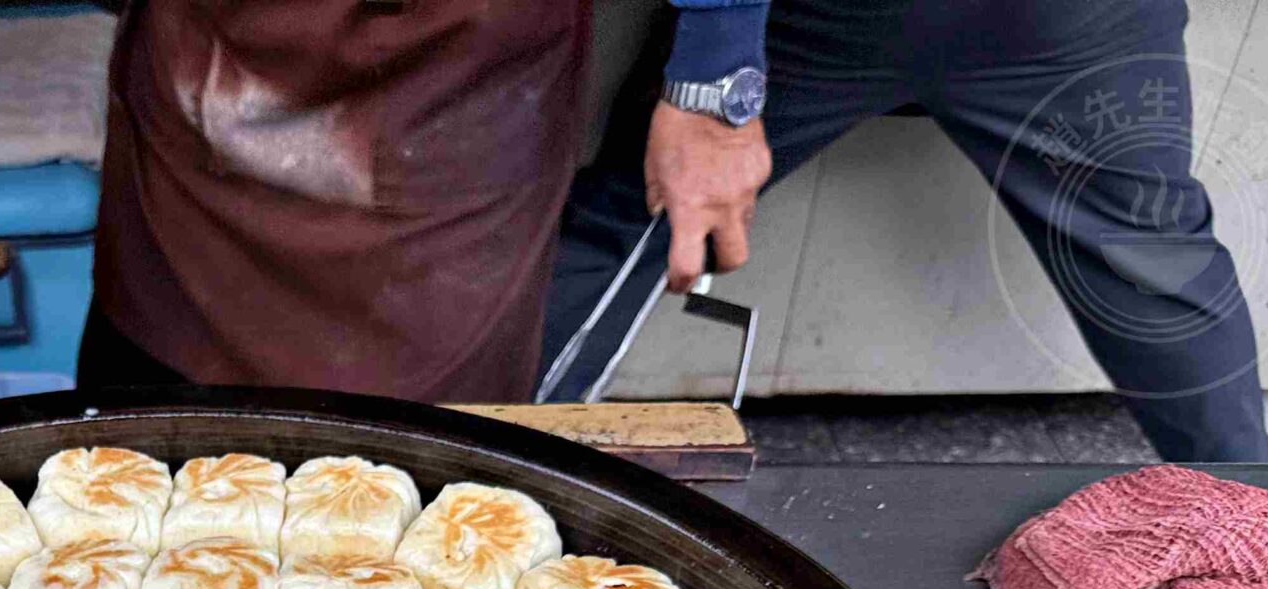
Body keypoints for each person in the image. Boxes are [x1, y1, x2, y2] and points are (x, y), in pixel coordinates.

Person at [542, 0, 1268, 462]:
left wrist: (715, 73)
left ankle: (488, 467)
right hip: (1071, 21)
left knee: (639, 219)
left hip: (853, 17)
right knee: (1150, 257)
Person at [79, 0, 775, 402]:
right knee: (137, 460)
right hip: (213, 73)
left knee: (424, 485)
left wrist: (716, 76)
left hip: (459, 84)